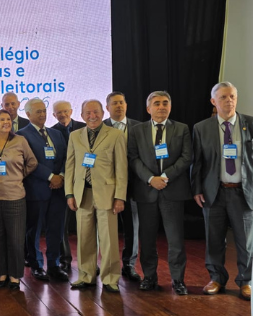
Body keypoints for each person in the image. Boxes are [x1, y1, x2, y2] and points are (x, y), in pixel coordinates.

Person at [191, 82, 253, 301]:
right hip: (214, 192)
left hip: (244, 193)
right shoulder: (201, 128)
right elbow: (197, 163)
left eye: (233, 96)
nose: (229, 101)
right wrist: (196, 189)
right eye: (224, 97)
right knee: (214, 239)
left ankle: (246, 281)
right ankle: (216, 278)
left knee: (245, 242)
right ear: (213, 101)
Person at [127, 92, 192, 295]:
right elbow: (133, 158)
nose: (161, 107)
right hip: (146, 192)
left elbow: (186, 157)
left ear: (170, 107)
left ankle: (178, 280)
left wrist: (165, 177)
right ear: (149, 109)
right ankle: (149, 277)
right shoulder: (137, 130)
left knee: (175, 239)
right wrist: (150, 179)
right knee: (146, 239)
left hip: (172, 191)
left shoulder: (181, 128)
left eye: (165, 103)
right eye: (156, 103)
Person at [65, 100, 128, 293]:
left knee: (109, 239)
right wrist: (69, 193)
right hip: (82, 194)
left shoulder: (116, 135)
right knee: (84, 238)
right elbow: (70, 166)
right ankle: (86, 276)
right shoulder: (75, 136)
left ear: (103, 113)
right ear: (82, 115)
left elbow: (121, 168)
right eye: (88, 113)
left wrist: (120, 197)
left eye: (96, 112)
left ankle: (110, 278)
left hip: (107, 195)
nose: (92, 116)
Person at [0, 110, 38, 289]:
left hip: (15, 196)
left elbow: (32, 162)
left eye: (8, 119)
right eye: (2, 120)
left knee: (15, 238)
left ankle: (14, 275)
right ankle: (1, 273)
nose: (6, 122)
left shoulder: (20, 141)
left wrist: (18, 176)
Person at [16, 98, 68, 282]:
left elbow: (66, 157)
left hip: (58, 190)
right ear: (28, 114)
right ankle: (36, 265)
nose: (42, 114)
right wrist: (50, 176)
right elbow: (28, 161)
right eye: (38, 111)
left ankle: (54, 265)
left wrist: (61, 175)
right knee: (34, 231)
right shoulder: (21, 135)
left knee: (56, 229)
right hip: (36, 190)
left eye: (44, 111)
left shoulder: (56, 133)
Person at [104, 91, 143, 281]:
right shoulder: (100, 127)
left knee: (132, 227)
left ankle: (129, 264)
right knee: (106, 228)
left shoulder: (139, 127)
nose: (119, 106)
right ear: (107, 107)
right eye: (114, 103)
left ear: (126, 105)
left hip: (134, 185)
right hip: (107, 186)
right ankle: (107, 264)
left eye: (121, 102)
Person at [50, 100, 85, 270]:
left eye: (65, 111)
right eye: (59, 112)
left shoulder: (84, 127)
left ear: (71, 111)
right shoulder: (51, 132)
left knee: (86, 224)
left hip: (84, 182)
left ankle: (88, 261)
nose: (62, 115)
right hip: (62, 183)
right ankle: (65, 260)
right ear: (54, 115)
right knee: (61, 224)